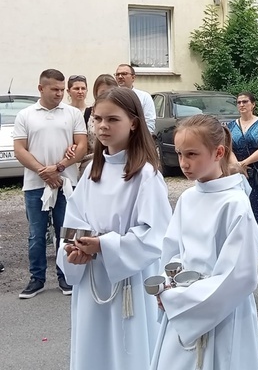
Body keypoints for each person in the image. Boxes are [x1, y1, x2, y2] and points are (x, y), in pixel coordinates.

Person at [56, 87, 172, 370]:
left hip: (126, 284)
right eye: (97, 119)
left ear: (133, 122)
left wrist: (104, 246)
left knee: (127, 351)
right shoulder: (91, 174)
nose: (103, 126)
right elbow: (72, 224)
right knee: (93, 353)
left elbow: (156, 236)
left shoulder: (146, 176)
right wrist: (74, 249)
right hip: (92, 279)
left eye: (112, 119)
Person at [150, 114, 258, 370]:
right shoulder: (188, 199)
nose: (183, 163)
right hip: (182, 302)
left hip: (221, 311)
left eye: (192, 154)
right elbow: (172, 251)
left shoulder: (234, 204)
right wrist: (169, 285)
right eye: (179, 154)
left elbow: (239, 275)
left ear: (218, 152)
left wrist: (182, 300)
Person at [13, 69, 88, 299]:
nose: (59, 94)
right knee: (36, 234)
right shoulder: (25, 115)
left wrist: (59, 168)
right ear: (41, 88)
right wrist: (43, 172)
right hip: (35, 185)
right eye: (54, 89)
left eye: (61, 89)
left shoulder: (73, 113)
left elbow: (82, 146)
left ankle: (65, 277)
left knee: (64, 231)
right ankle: (37, 279)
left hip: (66, 183)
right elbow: (19, 149)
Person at [229, 92, 258, 259]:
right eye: (239, 102)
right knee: (240, 208)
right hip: (238, 172)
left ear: (253, 104)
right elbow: (228, 148)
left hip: (257, 170)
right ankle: (243, 246)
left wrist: (244, 163)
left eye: (245, 101)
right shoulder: (232, 125)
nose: (242, 105)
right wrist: (237, 166)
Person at [79, 74, 118, 177]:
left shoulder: (121, 114)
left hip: (115, 163)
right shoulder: (87, 113)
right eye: (103, 93)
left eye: (111, 92)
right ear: (95, 93)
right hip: (91, 164)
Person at [114, 64, 156, 133]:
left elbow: (149, 123)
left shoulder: (144, 97)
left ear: (133, 78)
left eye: (124, 74)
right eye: (117, 74)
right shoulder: (112, 98)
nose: (120, 77)